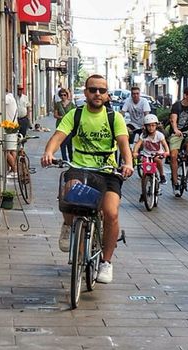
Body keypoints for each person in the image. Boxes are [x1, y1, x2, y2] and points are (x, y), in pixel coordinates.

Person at [41, 74, 134, 285]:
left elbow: (123, 145)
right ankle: (68, 226)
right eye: (93, 90)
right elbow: (58, 136)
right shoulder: (75, 115)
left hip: (107, 170)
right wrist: (49, 152)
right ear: (86, 93)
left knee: (111, 212)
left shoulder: (114, 117)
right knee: (68, 194)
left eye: (102, 90)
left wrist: (128, 163)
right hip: (80, 168)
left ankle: (106, 262)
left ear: (107, 94)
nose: (97, 94)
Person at [131, 113, 170, 202]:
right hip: (147, 155)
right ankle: (143, 192)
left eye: (153, 125)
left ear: (156, 126)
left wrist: (167, 152)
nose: (151, 128)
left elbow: (165, 144)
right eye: (149, 126)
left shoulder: (159, 135)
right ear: (145, 126)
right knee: (145, 174)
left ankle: (162, 175)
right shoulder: (143, 135)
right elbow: (138, 144)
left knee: (157, 160)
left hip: (158, 154)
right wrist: (135, 152)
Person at [53, 88, 76, 162]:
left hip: (70, 127)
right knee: (62, 144)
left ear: (67, 95)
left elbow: (75, 115)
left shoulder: (71, 105)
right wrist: (62, 117)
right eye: (61, 95)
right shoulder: (58, 104)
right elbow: (55, 115)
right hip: (60, 126)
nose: (63, 96)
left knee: (69, 144)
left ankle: (71, 159)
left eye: (64, 95)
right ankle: (65, 160)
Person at [3, 89, 19, 175]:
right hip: (14, 125)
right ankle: (13, 169)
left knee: (6, 150)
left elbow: (0, 101)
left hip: (9, 126)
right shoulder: (12, 98)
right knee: (13, 149)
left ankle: (14, 168)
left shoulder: (7, 98)